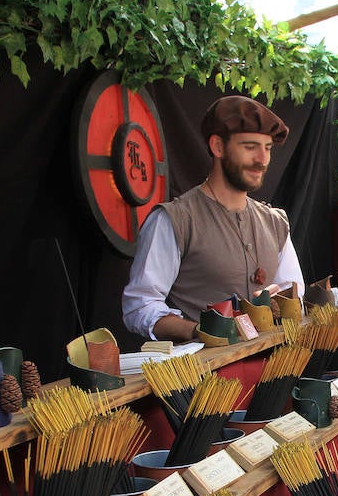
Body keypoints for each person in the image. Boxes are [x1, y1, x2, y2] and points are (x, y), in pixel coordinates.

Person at [121, 95, 305, 341]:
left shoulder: (275, 222)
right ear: (218, 147)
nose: (262, 159)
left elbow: (294, 290)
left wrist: (280, 300)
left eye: (268, 148)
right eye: (250, 147)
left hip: (275, 369)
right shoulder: (176, 220)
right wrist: (198, 331)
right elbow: (140, 306)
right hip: (207, 374)